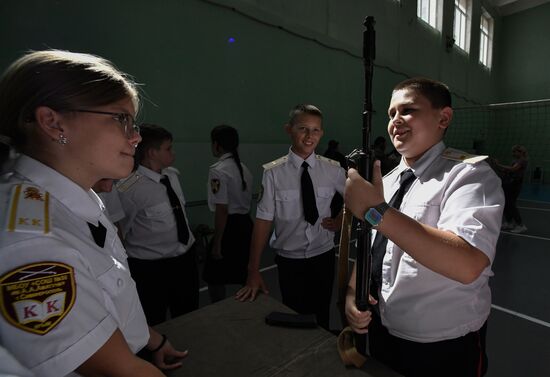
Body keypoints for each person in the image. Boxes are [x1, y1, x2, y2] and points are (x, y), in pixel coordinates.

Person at [0, 50, 187, 377]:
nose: (136, 136)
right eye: (121, 119)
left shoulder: (76, 196)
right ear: (52, 122)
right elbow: (120, 370)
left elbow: (109, 291)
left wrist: (151, 342)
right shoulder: (31, 241)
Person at [344, 78, 504, 377]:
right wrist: (353, 292)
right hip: (383, 329)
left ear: (443, 117)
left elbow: (468, 263)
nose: (395, 121)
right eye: (391, 114)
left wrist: (375, 210)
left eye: (408, 110)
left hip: (443, 343)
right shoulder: (387, 181)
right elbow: (373, 244)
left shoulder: (469, 175)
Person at [235, 104, 346, 330]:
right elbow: (264, 221)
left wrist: (340, 220)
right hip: (289, 260)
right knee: (294, 315)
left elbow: (354, 200)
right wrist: (253, 270)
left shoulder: (333, 170)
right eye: (303, 128)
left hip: (322, 256)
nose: (309, 136)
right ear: (289, 129)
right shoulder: (274, 173)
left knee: (322, 314)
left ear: (322, 133)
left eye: (315, 130)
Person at [118, 123, 199, 326]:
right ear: (152, 153)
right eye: (168, 148)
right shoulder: (130, 188)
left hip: (184, 259)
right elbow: (121, 230)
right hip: (151, 269)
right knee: (154, 319)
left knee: (189, 314)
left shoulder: (171, 176)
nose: (173, 152)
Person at [203, 125, 253, 302]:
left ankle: (218, 309)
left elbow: (222, 209)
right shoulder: (244, 169)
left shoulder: (218, 169)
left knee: (213, 275)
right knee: (243, 273)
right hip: (246, 225)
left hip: (229, 227)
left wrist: (217, 242)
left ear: (216, 145)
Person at [496, 145, 528, 233]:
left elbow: (513, 169)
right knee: (506, 203)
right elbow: (509, 170)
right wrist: (498, 167)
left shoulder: (522, 160)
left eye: (515, 151)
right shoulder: (515, 160)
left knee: (511, 204)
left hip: (515, 184)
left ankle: (520, 225)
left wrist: (499, 165)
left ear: (520, 152)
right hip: (509, 183)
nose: (513, 153)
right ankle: (509, 222)